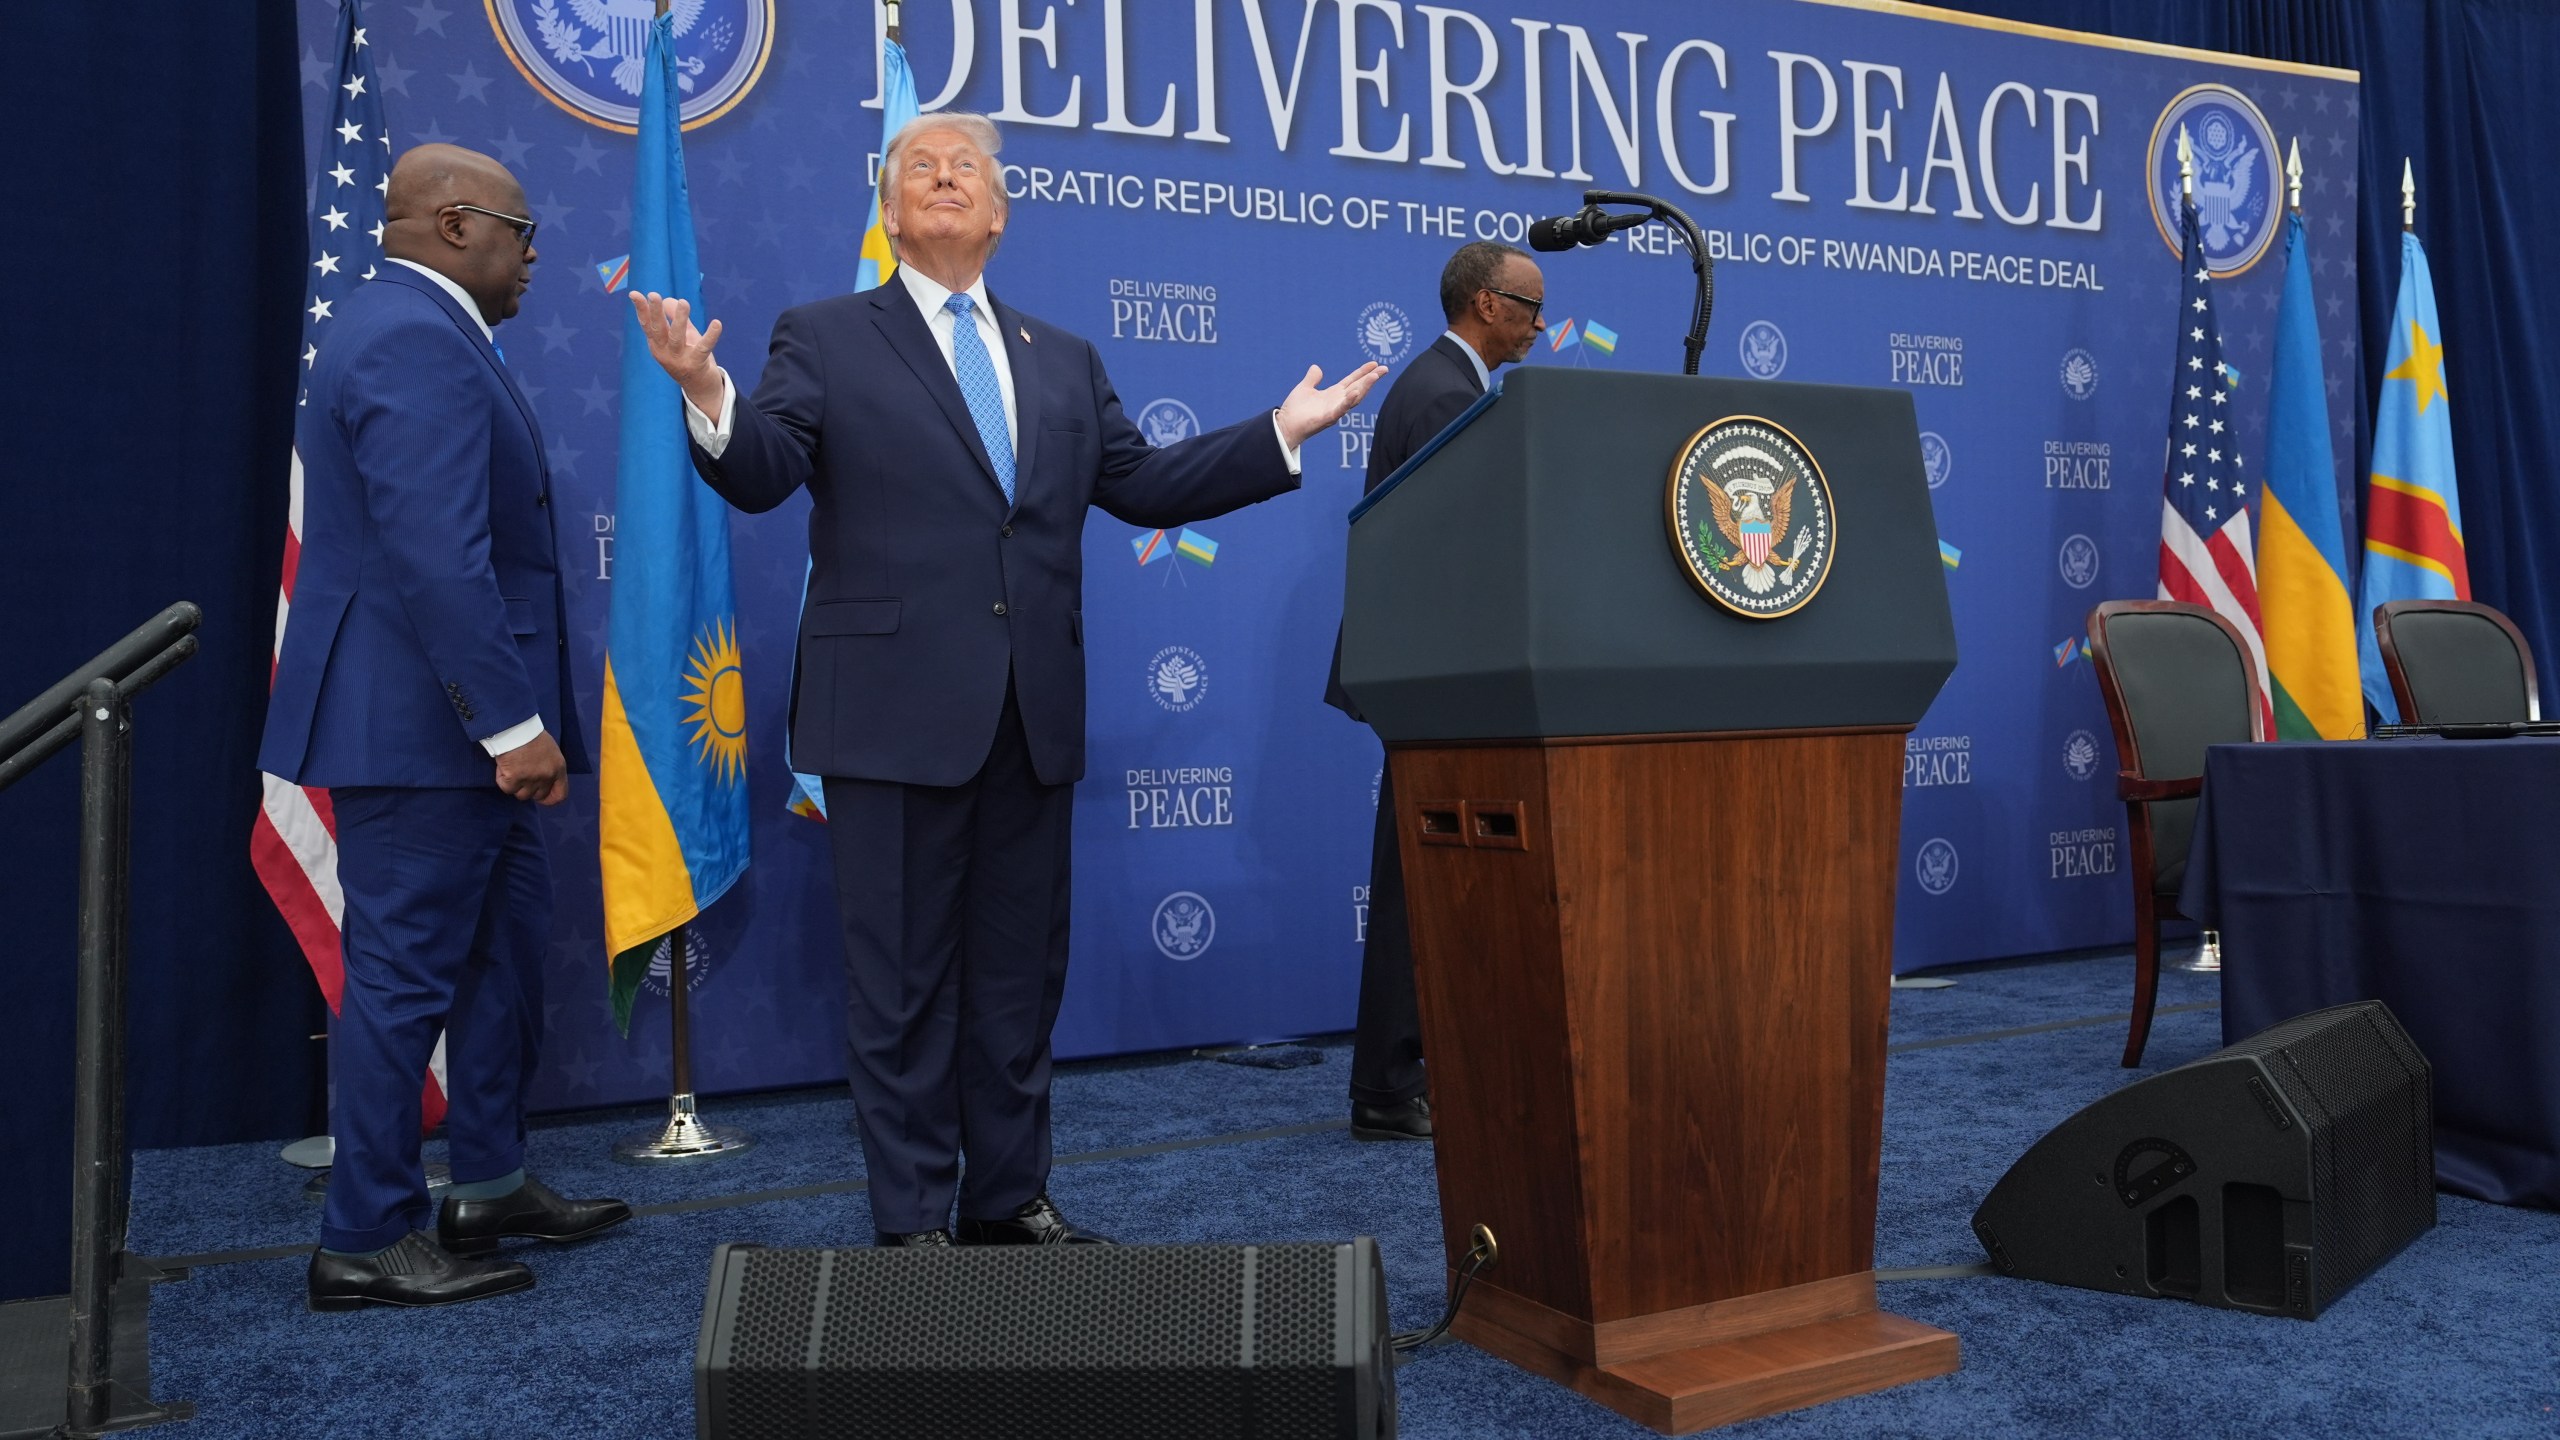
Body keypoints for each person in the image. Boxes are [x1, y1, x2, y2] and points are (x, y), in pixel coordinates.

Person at [629, 112, 1384, 1248]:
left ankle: (1006, 1198)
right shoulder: (825, 335)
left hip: (1030, 717)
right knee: (900, 991)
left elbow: (1141, 485)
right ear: (888, 210)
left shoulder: (1063, 357)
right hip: (888, 718)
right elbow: (765, 468)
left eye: (964, 168)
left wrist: (1279, 431)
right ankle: (912, 1222)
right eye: (917, 168)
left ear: (999, 212)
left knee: (1017, 984)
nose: (941, 179)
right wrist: (705, 389)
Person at [261, 144, 630, 1311]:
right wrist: (512, 725)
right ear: (457, 223)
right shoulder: (412, 334)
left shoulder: (430, 330)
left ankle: (488, 1179)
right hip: (426, 732)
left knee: (499, 960)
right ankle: (365, 1236)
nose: (532, 260)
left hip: (450, 735)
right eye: (525, 236)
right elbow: (436, 554)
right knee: (405, 982)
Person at [1324, 241, 1546, 1142]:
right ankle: (1388, 1084)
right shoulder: (1447, 394)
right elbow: (1464, 554)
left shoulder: (1442, 384)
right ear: (1487, 305)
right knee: (1417, 884)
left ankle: (1405, 1074)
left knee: (1423, 879)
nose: (1542, 323)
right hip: (1434, 679)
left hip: (1431, 674)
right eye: (1531, 306)